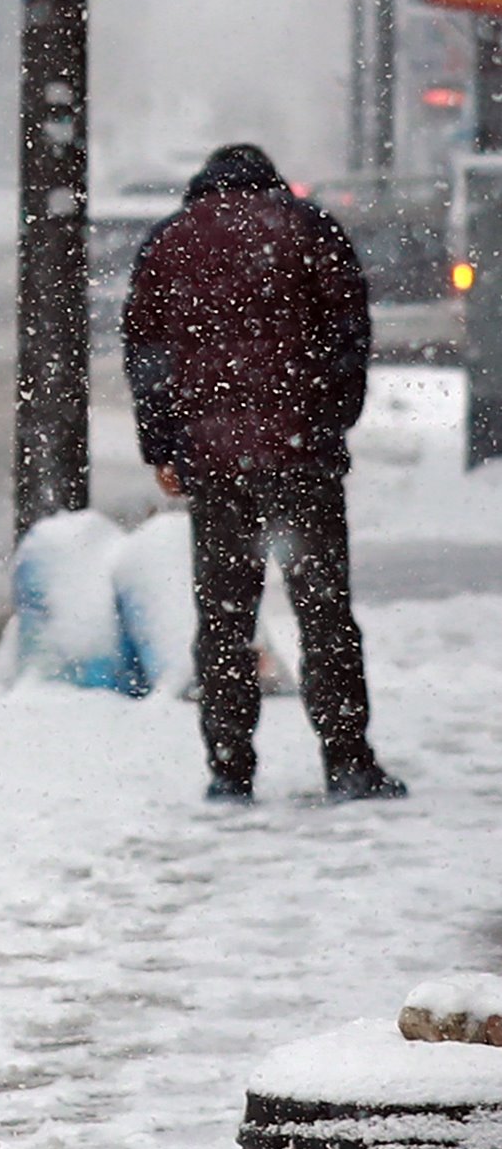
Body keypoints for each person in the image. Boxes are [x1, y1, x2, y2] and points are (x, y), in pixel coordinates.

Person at [120, 142, 403, 804]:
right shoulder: (308, 228)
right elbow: (348, 330)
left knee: (224, 616)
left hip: (215, 465)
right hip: (301, 456)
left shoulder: (170, 241)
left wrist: (163, 446)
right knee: (323, 610)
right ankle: (347, 760)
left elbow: (147, 354)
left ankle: (228, 768)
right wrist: (330, 419)